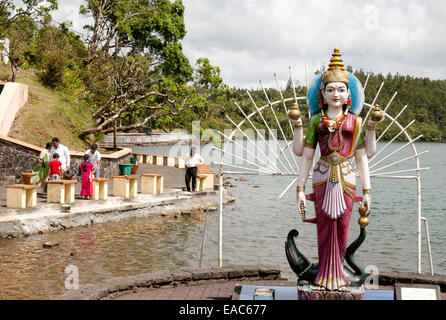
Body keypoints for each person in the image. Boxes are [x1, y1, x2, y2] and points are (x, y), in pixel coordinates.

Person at [291, 48, 383, 291]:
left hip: (346, 179)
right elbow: (306, 155)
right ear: (322, 93)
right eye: (330, 89)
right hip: (321, 178)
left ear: (348, 94)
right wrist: (300, 189)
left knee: (343, 226)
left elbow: (365, 156)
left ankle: (339, 275)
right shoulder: (315, 121)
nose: (335, 93)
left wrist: (368, 191)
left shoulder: (356, 122)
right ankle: (323, 274)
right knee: (323, 226)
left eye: (341, 89)